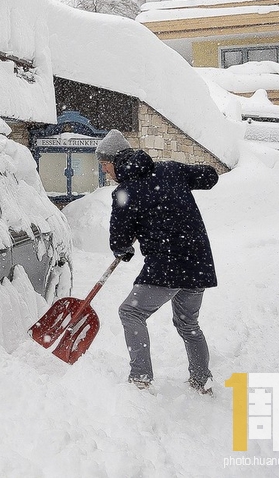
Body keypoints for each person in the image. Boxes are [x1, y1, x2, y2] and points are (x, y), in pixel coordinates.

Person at [95, 129, 218, 394]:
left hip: (166, 266)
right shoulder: (170, 170)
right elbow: (209, 176)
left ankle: (140, 378)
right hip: (198, 262)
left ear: (116, 160)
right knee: (188, 323)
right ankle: (202, 380)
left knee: (131, 312)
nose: (104, 170)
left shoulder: (125, 192)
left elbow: (120, 241)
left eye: (105, 164)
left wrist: (123, 250)